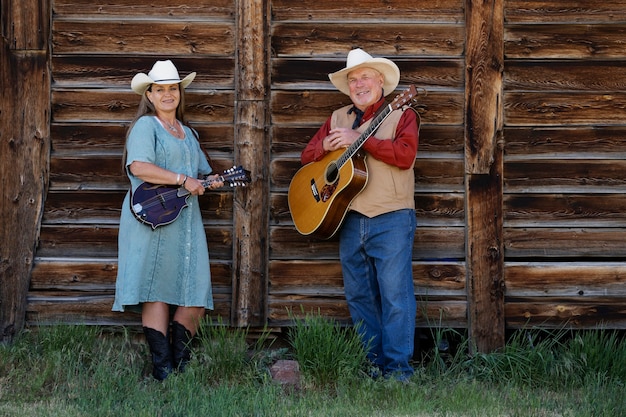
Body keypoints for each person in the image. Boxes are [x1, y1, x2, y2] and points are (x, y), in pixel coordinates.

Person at [300, 48, 419, 381]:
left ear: (380, 81)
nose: (359, 84)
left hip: (392, 216)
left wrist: (360, 140)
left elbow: (405, 156)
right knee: (359, 296)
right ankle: (372, 363)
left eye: (365, 76)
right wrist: (325, 147)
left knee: (395, 295)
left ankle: (398, 371)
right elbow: (306, 157)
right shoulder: (337, 117)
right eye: (353, 79)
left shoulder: (401, 113)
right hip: (348, 217)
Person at [113, 60, 223, 381]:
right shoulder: (146, 127)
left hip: (185, 219)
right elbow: (139, 167)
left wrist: (215, 180)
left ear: (180, 92)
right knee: (156, 290)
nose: (167, 94)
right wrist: (182, 179)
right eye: (159, 89)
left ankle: (182, 365)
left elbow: (200, 175)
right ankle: (164, 371)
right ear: (149, 95)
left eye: (172, 88)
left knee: (194, 290)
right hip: (149, 218)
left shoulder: (188, 134)